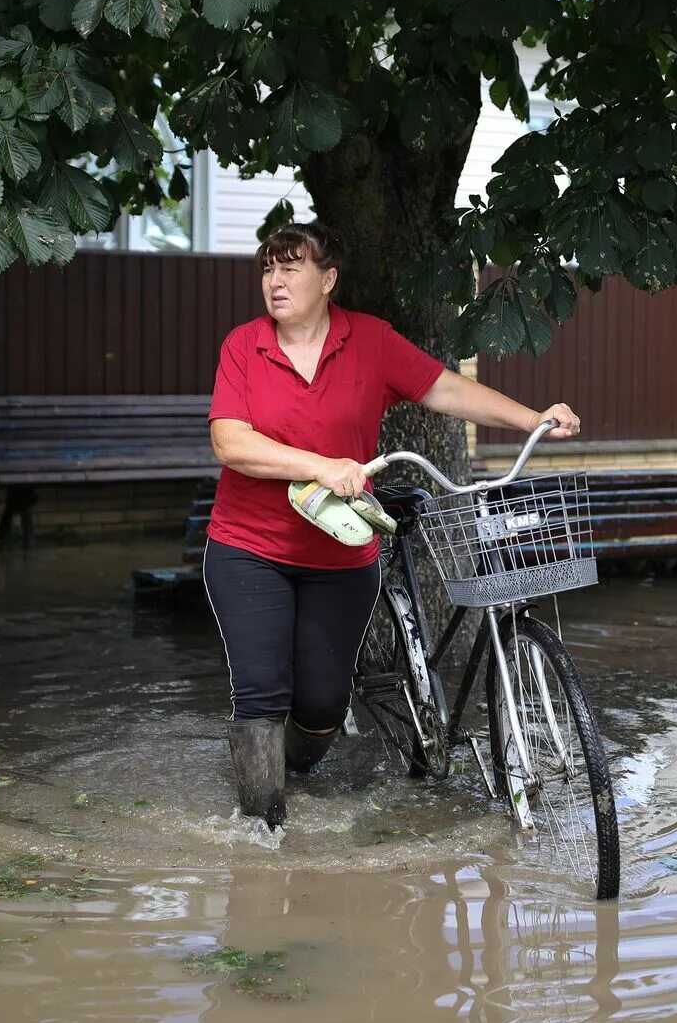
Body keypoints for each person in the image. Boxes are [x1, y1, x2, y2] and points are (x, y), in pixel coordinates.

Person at [205, 222, 581, 828]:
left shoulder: (371, 341)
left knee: (323, 707)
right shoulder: (244, 346)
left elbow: (444, 389)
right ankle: (261, 837)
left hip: (341, 556)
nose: (275, 281)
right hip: (251, 548)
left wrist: (532, 417)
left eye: (291, 268)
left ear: (327, 280)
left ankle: (288, 772)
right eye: (269, 269)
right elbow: (230, 441)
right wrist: (321, 467)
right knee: (259, 692)